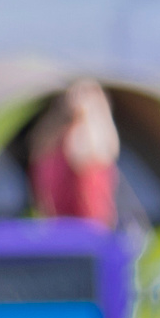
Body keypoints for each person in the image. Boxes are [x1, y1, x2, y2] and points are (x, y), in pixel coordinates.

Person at [27, 81, 120, 227]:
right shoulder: (80, 140)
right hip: (86, 231)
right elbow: (91, 155)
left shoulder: (46, 142)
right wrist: (93, 111)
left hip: (56, 229)